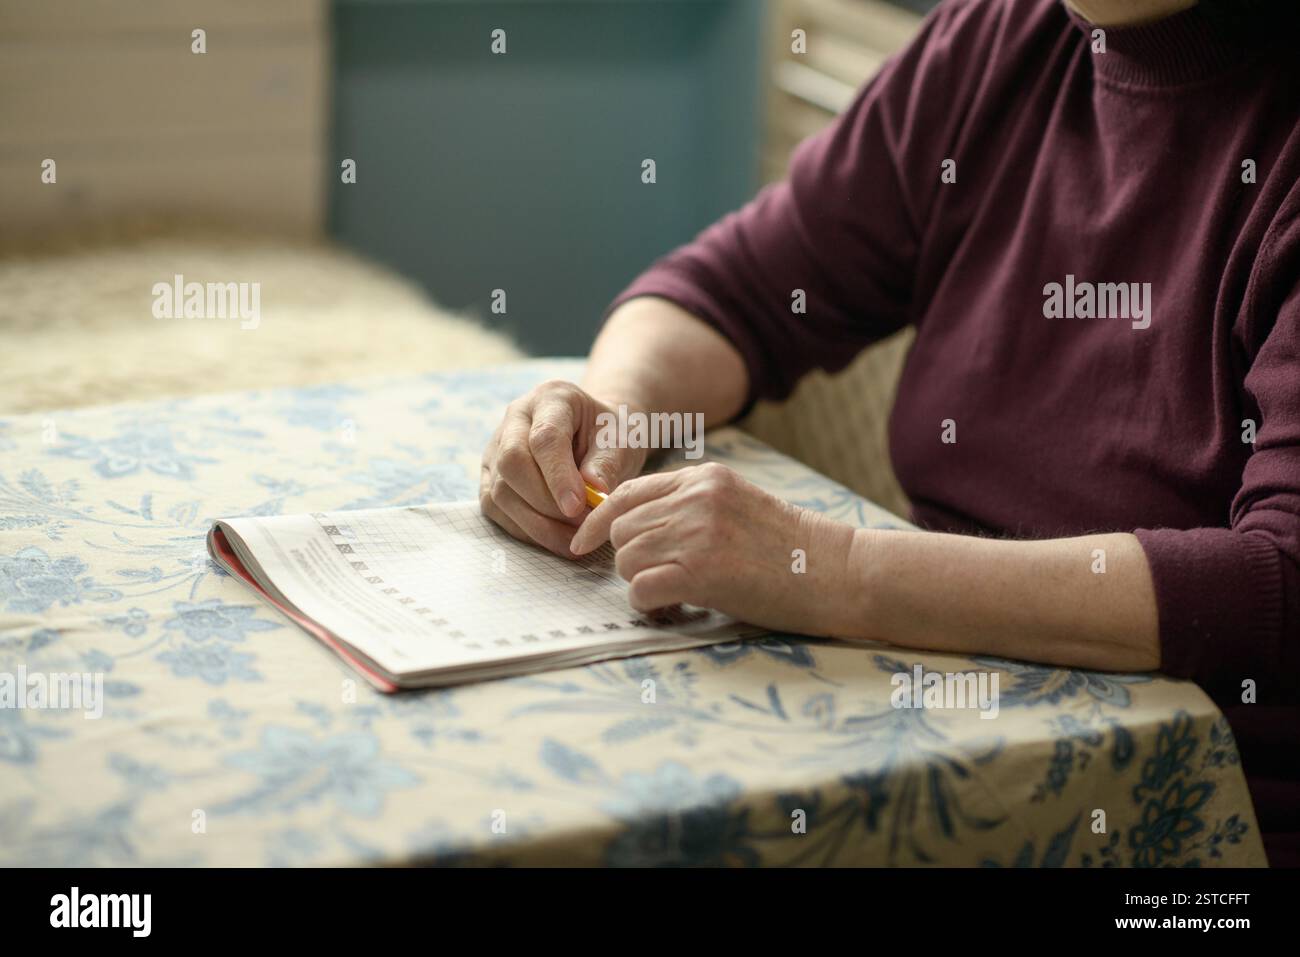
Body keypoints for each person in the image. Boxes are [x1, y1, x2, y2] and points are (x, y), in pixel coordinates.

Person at [480, 0, 1300, 865]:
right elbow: (743, 287)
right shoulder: (1000, 35)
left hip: (1200, 825)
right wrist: (613, 410)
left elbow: (1278, 579)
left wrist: (829, 567)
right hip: (949, 729)